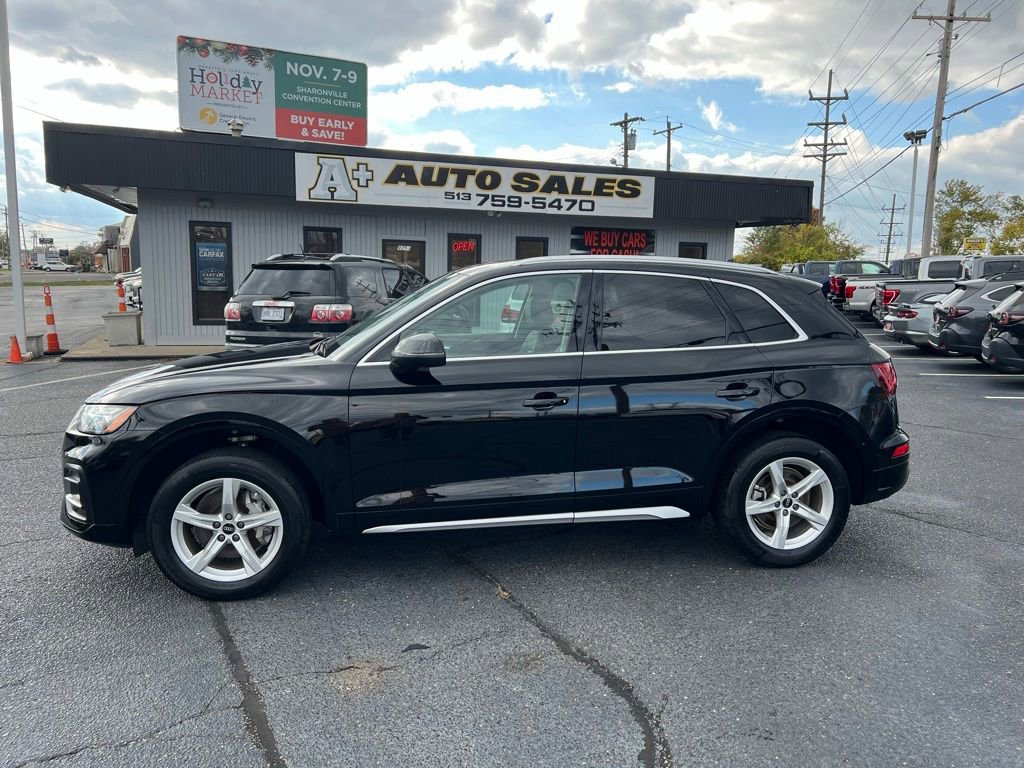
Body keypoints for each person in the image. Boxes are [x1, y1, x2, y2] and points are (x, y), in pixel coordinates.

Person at [520, 280, 577, 354]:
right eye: (558, 298)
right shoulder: (535, 336)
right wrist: (553, 330)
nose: (563, 304)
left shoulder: (581, 331)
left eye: (568, 299)